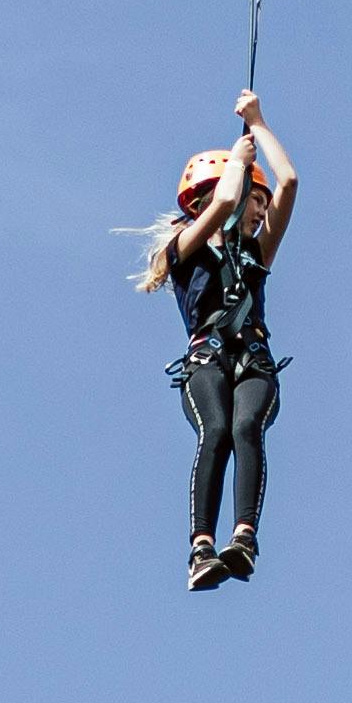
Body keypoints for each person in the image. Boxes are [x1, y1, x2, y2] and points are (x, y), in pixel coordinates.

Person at [133, 90, 296, 590]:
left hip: (253, 359)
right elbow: (225, 200)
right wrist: (240, 167)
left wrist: (259, 124)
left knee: (248, 426)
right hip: (206, 358)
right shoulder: (183, 248)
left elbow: (288, 181)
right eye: (254, 199)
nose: (257, 209)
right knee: (217, 430)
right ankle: (201, 546)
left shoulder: (256, 253)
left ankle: (243, 538)